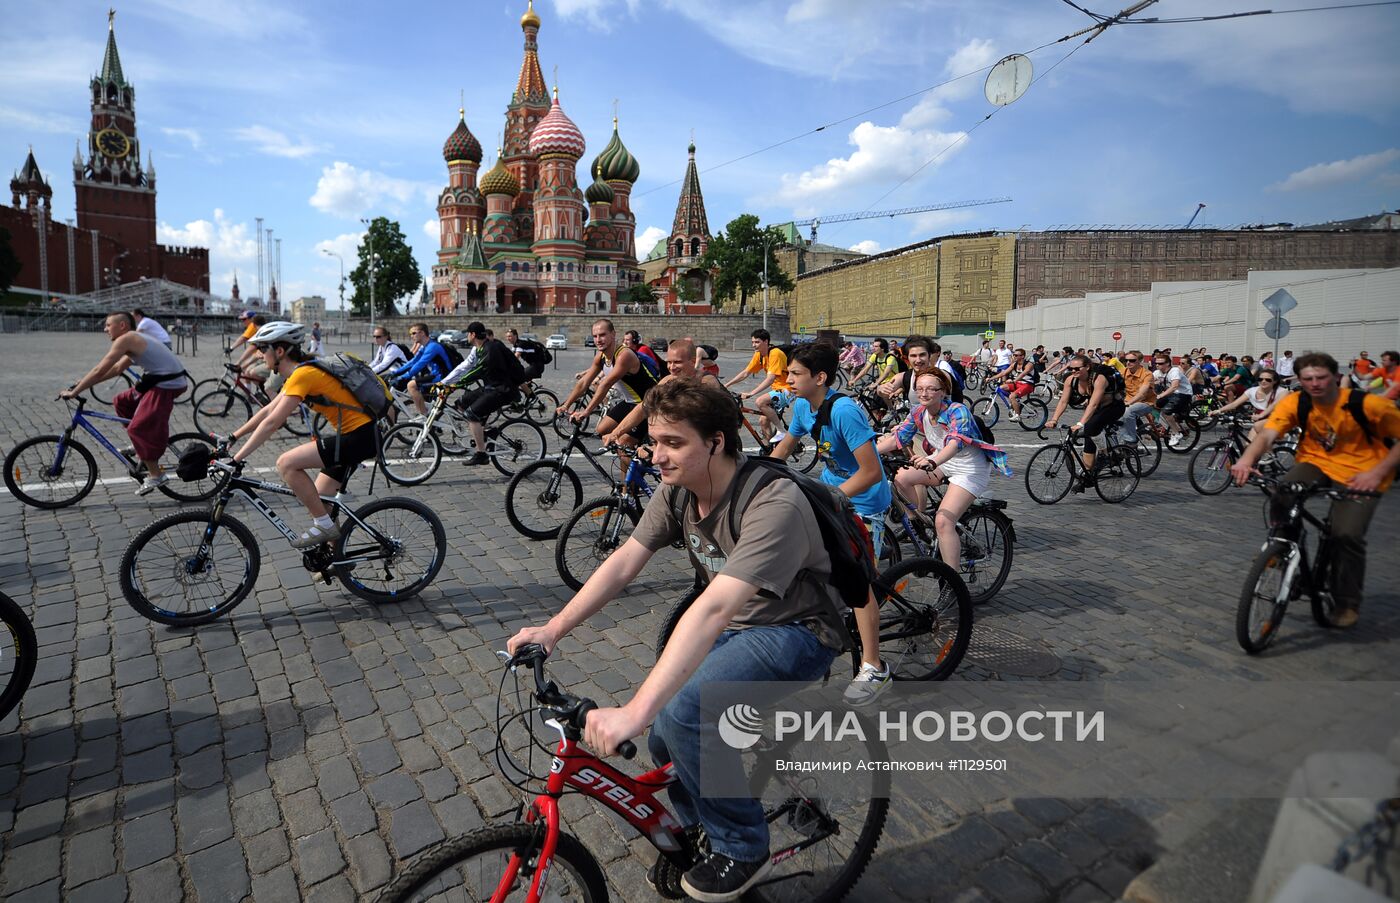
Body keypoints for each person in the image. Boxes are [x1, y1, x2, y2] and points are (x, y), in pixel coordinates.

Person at [507, 378, 848, 901]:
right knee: (667, 736)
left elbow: (712, 608)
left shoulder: (772, 503)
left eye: (673, 442)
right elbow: (625, 561)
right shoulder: (678, 490)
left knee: (686, 712)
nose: (656, 454)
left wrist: (633, 712)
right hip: (738, 624)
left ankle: (741, 845)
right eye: (654, 440)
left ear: (716, 442)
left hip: (799, 630)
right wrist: (552, 629)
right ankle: (702, 832)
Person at [1230, 352, 1400, 628]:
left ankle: (1346, 603)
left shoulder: (1366, 404)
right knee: (1282, 491)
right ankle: (1281, 547)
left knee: (1346, 534)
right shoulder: (1297, 402)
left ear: (1335, 377)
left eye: (1321, 377)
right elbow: (1268, 434)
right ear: (1300, 379)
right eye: (1308, 379)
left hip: (1363, 472)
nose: (1315, 384)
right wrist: (1246, 460)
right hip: (1316, 463)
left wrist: (1377, 473)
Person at [772, 343, 892, 705]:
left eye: (796, 374)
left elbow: (871, 472)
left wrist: (834, 497)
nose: (789, 380)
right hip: (830, 489)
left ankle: (874, 666)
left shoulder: (844, 411)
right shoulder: (802, 406)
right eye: (789, 373)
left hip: (864, 498)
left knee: (858, 583)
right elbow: (784, 449)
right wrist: (757, 477)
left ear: (820, 377)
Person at [223, 322, 379, 547]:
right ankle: (337, 558)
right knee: (320, 500)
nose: (259, 355)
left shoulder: (304, 374)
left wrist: (236, 459)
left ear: (279, 351)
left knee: (286, 463)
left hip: (359, 437)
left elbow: (273, 422)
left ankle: (324, 526)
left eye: (263, 349)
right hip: (357, 435)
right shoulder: (299, 373)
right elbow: (268, 410)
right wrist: (233, 437)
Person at [881, 369, 1009, 572]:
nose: (924, 393)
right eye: (919, 389)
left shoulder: (957, 410)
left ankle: (952, 580)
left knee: (943, 521)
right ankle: (918, 525)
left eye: (931, 389)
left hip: (969, 469)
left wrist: (932, 461)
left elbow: (955, 443)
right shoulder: (918, 411)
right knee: (901, 478)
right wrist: (862, 452)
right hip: (943, 462)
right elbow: (898, 439)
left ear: (943, 392)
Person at [59, 311, 188, 495]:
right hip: (158, 381)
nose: (105, 329)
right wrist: (81, 383)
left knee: (138, 428)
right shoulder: (134, 338)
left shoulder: (126, 339)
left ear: (122, 326)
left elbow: (99, 369)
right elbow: (117, 368)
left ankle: (156, 475)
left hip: (167, 385)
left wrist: (75, 392)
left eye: (108, 325)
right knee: (121, 401)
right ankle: (139, 445)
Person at [561, 318, 662, 450]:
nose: (598, 340)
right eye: (595, 336)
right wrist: (566, 405)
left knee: (623, 443)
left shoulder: (624, 355)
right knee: (602, 429)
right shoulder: (601, 356)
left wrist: (586, 412)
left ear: (613, 334)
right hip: (629, 402)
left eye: (602, 335)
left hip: (647, 402)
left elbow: (606, 384)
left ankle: (636, 452)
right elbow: (584, 382)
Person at [604, 338, 722, 445]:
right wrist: (616, 433)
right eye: (669, 362)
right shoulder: (668, 380)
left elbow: (700, 421)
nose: (671, 367)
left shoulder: (706, 381)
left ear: (693, 361)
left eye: (677, 362)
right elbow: (644, 407)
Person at [447, 322, 525, 466]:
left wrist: (455, 385)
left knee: (471, 414)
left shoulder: (491, 348)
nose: (466, 336)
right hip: (491, 387)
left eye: (467, 334)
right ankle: (485, 431)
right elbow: (470, 368)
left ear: (473, 335)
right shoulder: (482, 348)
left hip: (503, 389)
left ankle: (481, 454)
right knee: (461, 403)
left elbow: (479, 370)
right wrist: (449, 383)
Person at [1047, 354, 1126, 489]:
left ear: (1087, 367)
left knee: (1090, 427)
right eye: (1071, 369)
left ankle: (1105, 455)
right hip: (1096, 407)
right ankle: (1089, 476)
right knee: (1089, 439)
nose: (1073, 371)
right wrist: (1054, 419)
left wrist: (1080, 423)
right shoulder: (1071, 380)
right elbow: (1063, 401)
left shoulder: (1099, 378)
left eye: (1077, 368)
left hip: (1113, 407)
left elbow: (1093, 404)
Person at [722, 329, 792, 444]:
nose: (754, 345)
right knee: (763, 421)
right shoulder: (759, 355)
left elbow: (770, 379)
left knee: (760, 401)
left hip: (788, 389)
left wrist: (751, 393)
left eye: (757, 342)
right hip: (777, 390)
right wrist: (726, 385)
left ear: (766, 342)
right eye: (753, 342)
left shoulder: (775, 354)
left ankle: (781, 430)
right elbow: (746, 373)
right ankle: (769, 449)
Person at [388, 323, 454, 420]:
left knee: (411, 385)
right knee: (422, 393)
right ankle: (430, 417)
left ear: (422, 333)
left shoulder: (432, 347)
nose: (411, 336)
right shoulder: (425, 346)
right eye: (410, 334)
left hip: (443, 376)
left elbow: (419, 364)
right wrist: (396, 372)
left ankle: (424, 416)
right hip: (435, 374)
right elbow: (413, 362)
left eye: (414, 333)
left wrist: (403, 377)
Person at [1215, 368, 1289, 441]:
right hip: (1261, 421)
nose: (1263, 381)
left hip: (1279, 420)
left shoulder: (1283, 392)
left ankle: (1270, 446)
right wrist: (1218, 411)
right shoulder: (1252, 391)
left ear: (1275, 381)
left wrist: (1260, 415)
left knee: (1259, 433)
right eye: (1260, 379)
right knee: (1248, 444)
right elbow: (1234, 404)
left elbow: (1273, 405)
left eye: (1268, 380)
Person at [1150, 353, 1195, 447]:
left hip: (1183, 394)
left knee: (1166, 412)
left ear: (1168, 363)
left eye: (1160, 363)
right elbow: (1148, 382)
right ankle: (1162, 425)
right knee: (1153, 404)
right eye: (1156, 363)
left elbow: (1174, 386)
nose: (1157, 365)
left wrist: (1161, 395)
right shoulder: (1157, 373)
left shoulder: (1174, 371)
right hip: (1171, 394)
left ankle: (1176, 433)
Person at [877, 335, 933, 408]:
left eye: (922, 355)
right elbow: (883, 392)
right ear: (907, 358)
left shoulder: (941, 376)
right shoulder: (904, 376)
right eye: (913, 356)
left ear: (929, 355)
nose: (918, 360)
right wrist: (880, 389)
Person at [1116, 351, 1157, 445]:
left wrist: (1128, 403)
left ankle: (1131, 442)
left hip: (1146, 402)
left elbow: (1142, 394)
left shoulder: (1147, 374)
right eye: (1126, 360)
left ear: (1140, 361)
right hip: (1128, 400)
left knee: (1128, 412)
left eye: (1132, 360)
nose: (1128, 362)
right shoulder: (1123, 372)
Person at [997, 348, 1038, 421]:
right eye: (1014, 355)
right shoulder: (1015, 364)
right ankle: (1015, 401)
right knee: (1001, 388)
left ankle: (1017, 416)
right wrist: (991, 378)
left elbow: (1023, 374)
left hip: (1028, 384)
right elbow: (1004, 372)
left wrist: (1013, 381)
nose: (1014, 356)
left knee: (1012, 396)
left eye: (1016, 355)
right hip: (1018, 383)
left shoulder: (1029, 364)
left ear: (1022, 356)